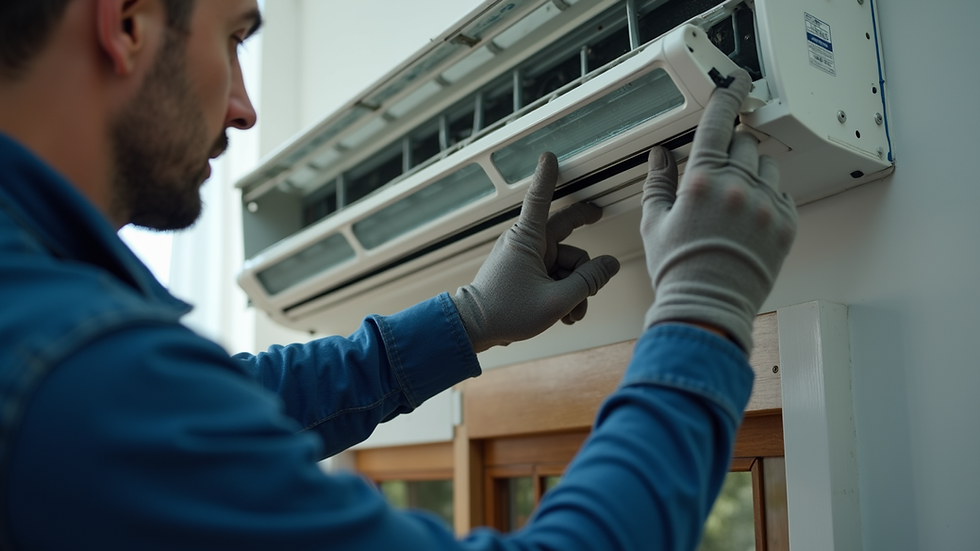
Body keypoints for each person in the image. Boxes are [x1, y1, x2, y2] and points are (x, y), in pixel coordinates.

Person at [0, 0, 798, 549]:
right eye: (235, 35)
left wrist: (467, 318)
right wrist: (702, 313)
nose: (243, 108)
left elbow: (220, 406)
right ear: (128, 22)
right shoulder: (69, 373)